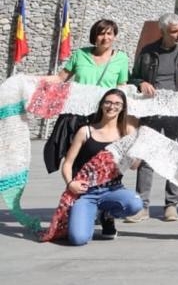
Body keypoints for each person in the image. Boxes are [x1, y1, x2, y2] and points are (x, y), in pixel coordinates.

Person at [126, 12, 178, 223]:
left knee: (175, 157)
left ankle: (171, 205)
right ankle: (142, 206)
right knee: (146, 159)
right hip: (151, 110)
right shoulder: (148, 52)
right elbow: (134, 77)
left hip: (176, 112)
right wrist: (141, 82)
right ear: (162, 32)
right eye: (174, 32)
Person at [43, 19, 131, 174]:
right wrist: (33, 80)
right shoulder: (80, 54)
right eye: (101, 34)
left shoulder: (121, 59)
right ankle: (74, 191)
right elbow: (60, 78)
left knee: (100, 158)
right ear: (94, 36)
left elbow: (121, 89)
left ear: (115, 36)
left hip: (104, 116)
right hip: (78, 115)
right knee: (76, 158)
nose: (105, 38)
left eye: (109, 34)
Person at [61, 89, 143, 245]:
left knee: (135, 204)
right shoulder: (86, 131)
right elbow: (67, 163)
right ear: (101, 105)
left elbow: (134, 166)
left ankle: (107, 214)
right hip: (86, 192)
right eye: (108, 102)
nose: (112, 107)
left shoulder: (126, 133)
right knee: (78, 239)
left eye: (117, 103)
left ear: (123, 108)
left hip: (113, 189)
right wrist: (70, 183)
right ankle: (86, 214)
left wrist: (138, 149)